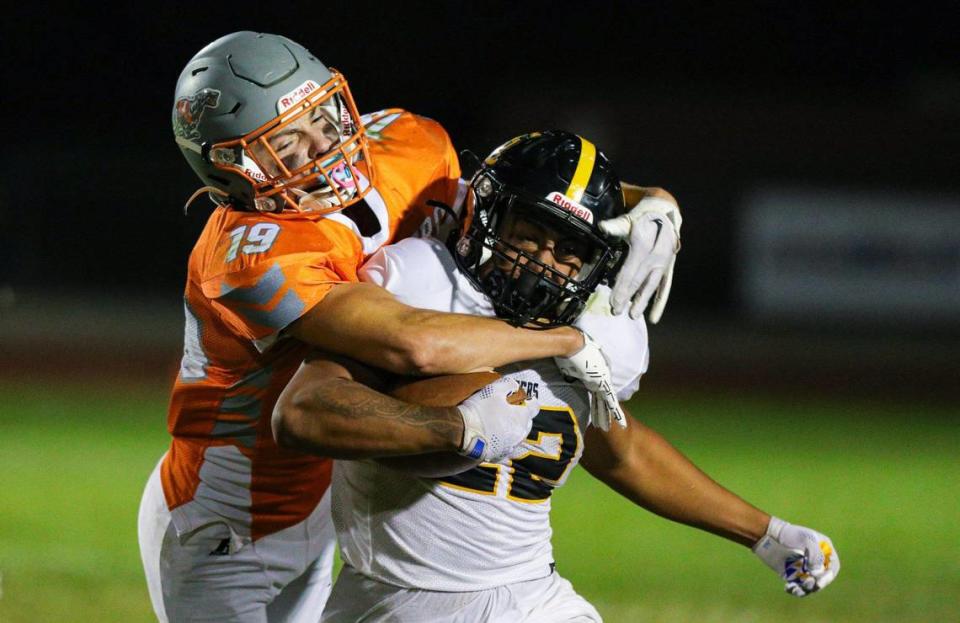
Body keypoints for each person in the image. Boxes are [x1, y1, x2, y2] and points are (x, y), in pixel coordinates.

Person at [139, 32, 680, 622]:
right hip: (232, 521)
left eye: (324, 115)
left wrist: (649, 198)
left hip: (330, 498)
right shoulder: (250, 254)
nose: (327, 146)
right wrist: (566, 341)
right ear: (231, 172)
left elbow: (514, 193)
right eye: (289, 142)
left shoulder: (406, 143)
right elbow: (410, 342)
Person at [268, 131, 841, 622]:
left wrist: (764, 532)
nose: (546, 260)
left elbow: (621, 450)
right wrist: (450, 428)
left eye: (570, 249)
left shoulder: (598, 332)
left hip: (536, 599)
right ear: (487, 215)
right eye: (531, 233)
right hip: (399, 603)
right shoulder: (415, 283)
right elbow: (304, 412)